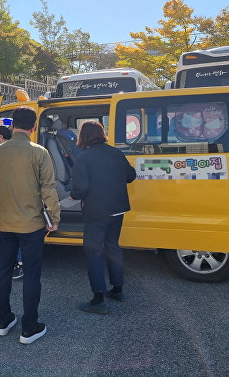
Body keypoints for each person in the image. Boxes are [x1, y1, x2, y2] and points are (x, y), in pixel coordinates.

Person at [0, 106, 60, 344]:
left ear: (11, 126)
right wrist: (54, 218)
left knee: (3, 272)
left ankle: (3, 320)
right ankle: (29, 328)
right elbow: (48, 188)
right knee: (32, 276)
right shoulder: (39, 152)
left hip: (5, 223)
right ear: (34, 127)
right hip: (32, 225)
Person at [70, 120, 136, 315]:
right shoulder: (116, 152)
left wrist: (74, 195)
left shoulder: (84, 157)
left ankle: (98, 299)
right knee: (113, 247)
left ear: (84, 136)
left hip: (96, 212)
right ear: (101, 133)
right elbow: (131, 175)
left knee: (94, 252)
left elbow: (81, 188)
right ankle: (117, 289)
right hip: (118, 209)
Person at [0, 125, 24, 280]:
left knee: (13, 235)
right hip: (24, 201)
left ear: (0, 137)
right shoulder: (26, 149)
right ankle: (20, 262)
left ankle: (19, 264)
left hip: (9, 202)